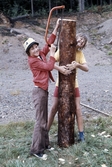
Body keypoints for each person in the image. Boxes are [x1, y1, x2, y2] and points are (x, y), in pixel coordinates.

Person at [23, 19, 60, 160]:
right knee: (40, 121)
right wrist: (52, 53)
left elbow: (49, 42)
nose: (36, 49)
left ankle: (45, 144)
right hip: (38, 92)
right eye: (32, 49)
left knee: (44, 119)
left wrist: (55, 28)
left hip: (43, 91)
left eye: (36, 46)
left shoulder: (40, 55)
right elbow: (49, 66)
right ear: (29, 53)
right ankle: (36, 149)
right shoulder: (33, 61)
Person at [47, 33, 89, 142]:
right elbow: (50, 63)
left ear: (82, 46)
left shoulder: (80, 54)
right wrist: (60, 68)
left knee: (77, 108)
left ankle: (81, 135)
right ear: (74, 39)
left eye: (82, 43)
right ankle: (45, 132)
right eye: (79, 40)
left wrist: (77, 65)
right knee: (53, 108)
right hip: (59, 84)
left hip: (74, 85)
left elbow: (86, 68)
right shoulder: (63, 50)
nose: (79, 43)